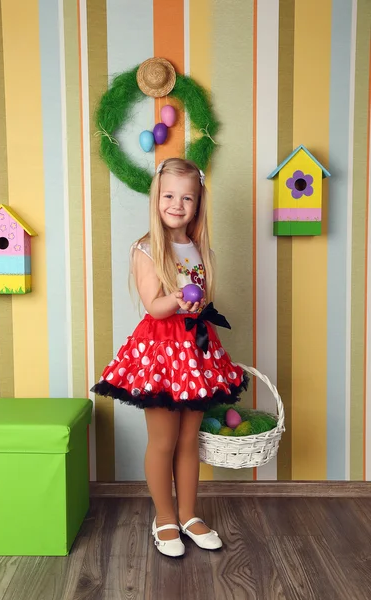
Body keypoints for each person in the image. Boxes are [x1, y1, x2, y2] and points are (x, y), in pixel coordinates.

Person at [92, 158, 248, 557]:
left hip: (195, 350)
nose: (177, 204)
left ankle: (188, 514)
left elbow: (201, 299)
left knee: (188, 440)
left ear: (198, 203)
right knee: (162, 441)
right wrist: (178, 299)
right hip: (162, 352)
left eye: (187, 198)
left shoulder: (199, 248)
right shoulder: (146, 248)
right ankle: (164, 517)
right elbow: (153, 306)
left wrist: (196, 306)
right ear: (156, 198)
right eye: (169, 195)